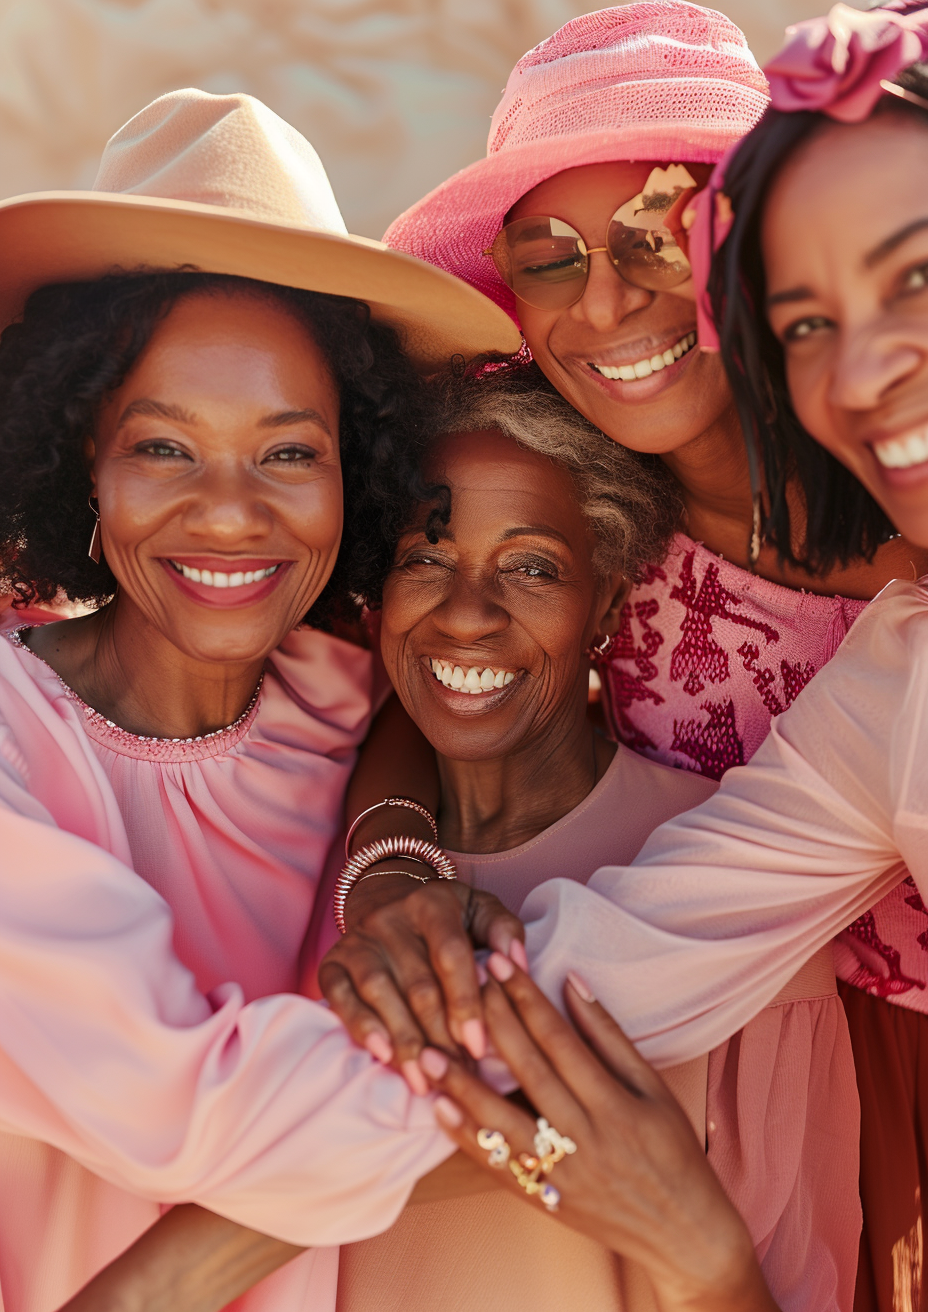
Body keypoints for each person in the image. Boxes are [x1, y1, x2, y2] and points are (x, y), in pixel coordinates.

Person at [71, 363, 853, 1311]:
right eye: (426, 559)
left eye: (531, 567)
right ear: (376, 596)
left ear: (606, 605)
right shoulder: (310, 845)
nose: (468, 613)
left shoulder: (723, 880)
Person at [371, 7, 928, 1312]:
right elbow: (395, 680)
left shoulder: (892, 474)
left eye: (655, 233)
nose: (607, 298)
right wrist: (386, 869)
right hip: (729, 1043)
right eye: (549, 256)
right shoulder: (569, 515)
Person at [0, 86, 522, 1312]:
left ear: (363, 467)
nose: (231, 512)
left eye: (290, 451)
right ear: (81, 456)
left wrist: (394, 844)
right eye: (163, 447)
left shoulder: (369, 710)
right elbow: (204, 1110)